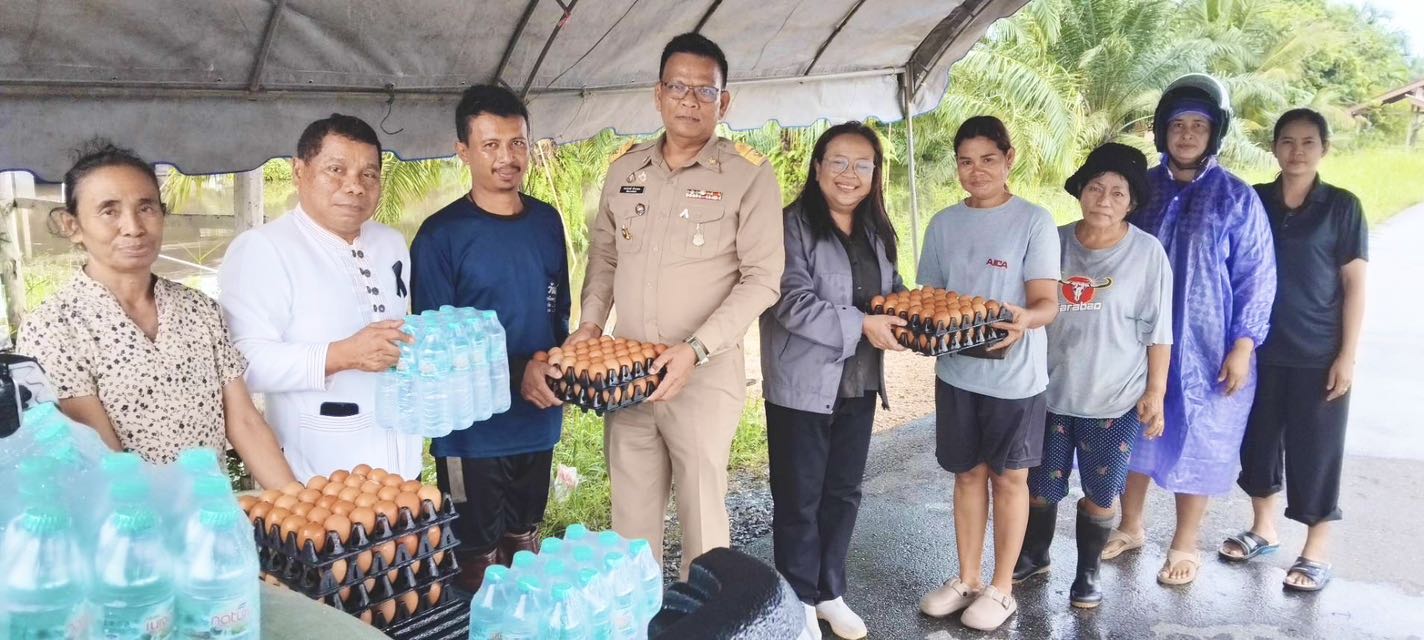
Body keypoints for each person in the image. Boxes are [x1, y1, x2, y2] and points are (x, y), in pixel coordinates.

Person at [572, 33, 784, 579]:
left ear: (724, 101)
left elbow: (763, 280)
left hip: (704, 377)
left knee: (703, 523)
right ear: (658, 95)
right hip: (627, 374)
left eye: (704, 91)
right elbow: (604, 256)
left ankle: (705, 623)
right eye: (678, 88)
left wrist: (695, 349)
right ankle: (635, 622)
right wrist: (591, 324)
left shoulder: (748, 173)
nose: (690, 101)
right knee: (630, 523)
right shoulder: (626, 170)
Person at [18, 140, 296, 488]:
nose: (133, 226)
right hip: (129, 522)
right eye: (109, 210)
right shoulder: (54, 327)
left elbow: (244, 422)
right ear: (72, 226)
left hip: (213, 516)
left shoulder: (199, 310)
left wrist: (297, 503)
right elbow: (102, 457)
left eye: (146, 207)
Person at [1104, 74, 1277, 586]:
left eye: (1198, 125)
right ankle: (1131, 525)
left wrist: (1244, 344)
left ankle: (1184, 543)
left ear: (1214, 133)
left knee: (1200, 437)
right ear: (1161, 131)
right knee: (1133, 430)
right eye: (1177, 124)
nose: (1186, 134)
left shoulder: (1236, 197)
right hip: (1136, 341)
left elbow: (1256, 275)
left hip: (1208, 345)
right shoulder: (1142, 191)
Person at [410, 84, 571, 592]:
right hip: (471, 433)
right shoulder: (441, 235)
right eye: (491, 145)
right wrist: (516, 369)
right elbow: (438, 344)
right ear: (463, 150)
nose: (508, 157)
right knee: (474, 557)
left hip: (538, 419)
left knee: (524, 543)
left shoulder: (546, 221)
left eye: (517, 143)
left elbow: (557, 309)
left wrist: (553, 362)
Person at [759, 122, 905, 640]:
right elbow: (789, 300)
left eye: (862, 165)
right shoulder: (789, 226)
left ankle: (829, 592)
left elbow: (892, 291)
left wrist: (913, 317)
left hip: (860, 380)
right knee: (799, 495)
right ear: (817, 167)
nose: (849, 175)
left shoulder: (876, 230)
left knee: (843, 492)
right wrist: (862, 324)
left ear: (874, 174)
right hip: (801, 384)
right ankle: (795, 599)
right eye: (838, 162)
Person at [219, 114, 423, 482]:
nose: (355, 187)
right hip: (320, 473)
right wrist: (341, 355)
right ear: (299, 171)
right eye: (336, 170)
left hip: (402, 462)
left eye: (369, 174)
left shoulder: (390, 242)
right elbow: (243, 363)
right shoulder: (264, 249)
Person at [915, 116, 1060, 631]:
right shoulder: (943, 224)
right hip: (957, 373)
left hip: (1014, 378)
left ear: (1009, 159)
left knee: (1010, 477)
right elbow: (929, 296)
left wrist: (1025, 320)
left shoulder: (1033, 221)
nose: (976, 171)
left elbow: (1046, 303)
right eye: (965, 161)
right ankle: (968, 579)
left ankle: (1002, 588)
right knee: (967, 474)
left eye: (987, 159)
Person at [1013, 143, 1173, 609]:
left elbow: (1158, 329)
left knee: (1103, 491)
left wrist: (1156, 391)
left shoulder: (1147, 253)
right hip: (1046, 391)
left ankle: (1087, 573)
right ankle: (1036, 554)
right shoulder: (1052, 241)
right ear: (1080, 191)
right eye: (1096, 187)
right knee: (1040, 488)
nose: (1105, 199)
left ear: (1132, 202)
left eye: (1118, 193)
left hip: (1114, 396)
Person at [1217, 108, 1367, 592]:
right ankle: (1263, 529)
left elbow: (1355, 285)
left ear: (1324, 148)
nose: (1296, 151)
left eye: (1307, 142)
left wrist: (1347, 355)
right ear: (1274, 147)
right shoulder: (1256, 200)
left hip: (1318, 351)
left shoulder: (1342, 206)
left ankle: (1315, 550)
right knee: (1257, 444)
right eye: (1287, 141)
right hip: (1257, 348)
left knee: (1315, 451)